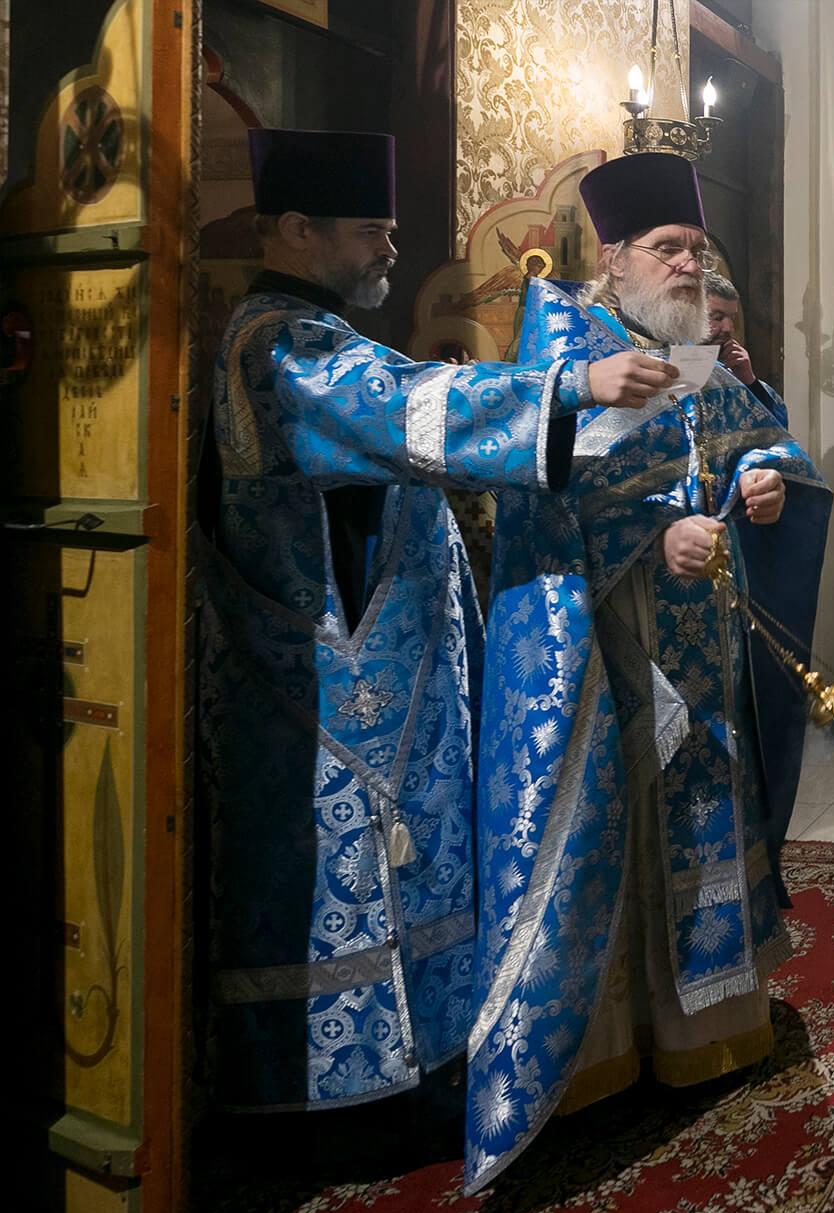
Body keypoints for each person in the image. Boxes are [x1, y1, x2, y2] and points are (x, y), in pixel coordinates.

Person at [197, 128, 675, 1121]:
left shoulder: (316, 330)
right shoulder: (274, 344)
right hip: (326, 681)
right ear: (296, 228)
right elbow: (400, 407)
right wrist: (567, 385)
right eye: (371, 230)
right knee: (356, 877)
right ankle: (348, 1100)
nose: (390, 249)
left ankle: (421, 1062)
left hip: (383, 665)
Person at [465, 148, 831, 1191]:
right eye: (668, 248)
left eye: (697, 248)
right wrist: (649, 536)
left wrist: (763, 478)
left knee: (702, 809)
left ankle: (702, 1027)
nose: (688, 265)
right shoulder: (566, 348)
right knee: (617, 831)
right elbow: (540, 504)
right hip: (606, 653)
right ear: (613, 256)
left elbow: (760, 437)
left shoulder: (689, 346)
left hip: (701, 646)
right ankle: (599, 1051)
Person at [704, 269, 782, 418]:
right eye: (717, 318)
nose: (728, 328)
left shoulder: (734, 373)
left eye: (732, 318)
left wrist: (749, 382)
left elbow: (776, 426)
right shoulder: (665, 370)